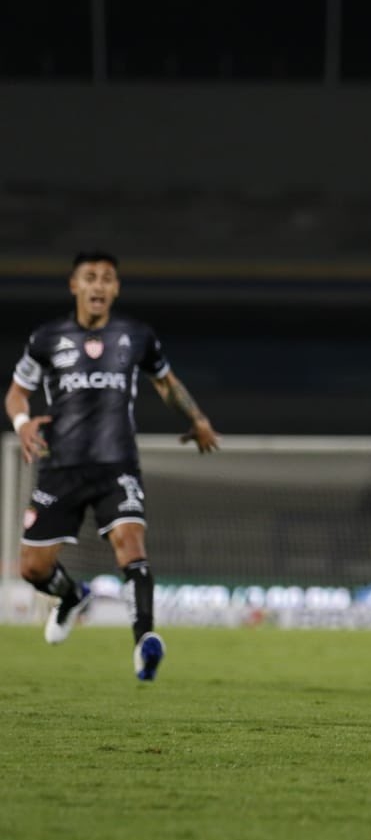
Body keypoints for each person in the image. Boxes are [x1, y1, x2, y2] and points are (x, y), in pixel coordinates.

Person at [5, 250, 220, 681]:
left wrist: (196, 419)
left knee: (131, 545)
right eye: (90, 277)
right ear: (75, 286)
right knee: (33, 568)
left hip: (116, 464)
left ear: (116, 288)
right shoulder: (46, 338)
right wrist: (24, 424)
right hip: (61, 467)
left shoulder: (136, 336)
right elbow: (16, 394)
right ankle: (71, 597)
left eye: (106, 278)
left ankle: (145, 642)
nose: (98, 285)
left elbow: (165, 382)